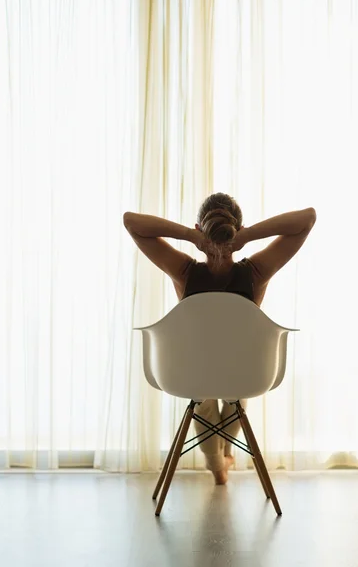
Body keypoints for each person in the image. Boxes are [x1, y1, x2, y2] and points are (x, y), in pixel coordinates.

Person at [123, 193, 316, 484]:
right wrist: (248, 236)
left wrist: (189, 236)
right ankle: (224, 457)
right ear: (237, 228)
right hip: (247, 374)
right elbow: (307, 218)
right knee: (235, 396)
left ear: (201, 229)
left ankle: (218, 466)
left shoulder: (184, 271)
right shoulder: (256, 272)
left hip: (193, 374)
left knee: (202, 399)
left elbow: (131, 222)